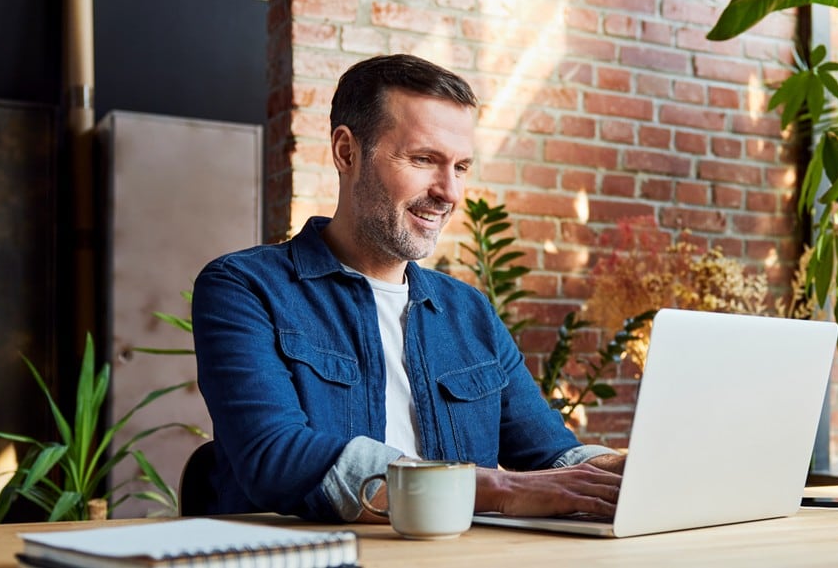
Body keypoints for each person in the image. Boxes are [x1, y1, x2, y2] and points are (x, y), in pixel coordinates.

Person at [192, 54, 624, 522]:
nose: (450, 192)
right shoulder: (244, 288)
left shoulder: (468, 310)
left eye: (461, 167)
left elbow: (552, 455)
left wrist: (634, 472)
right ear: (346, 152)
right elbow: (274, 457)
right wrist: (498, 487)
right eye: (424, 160)